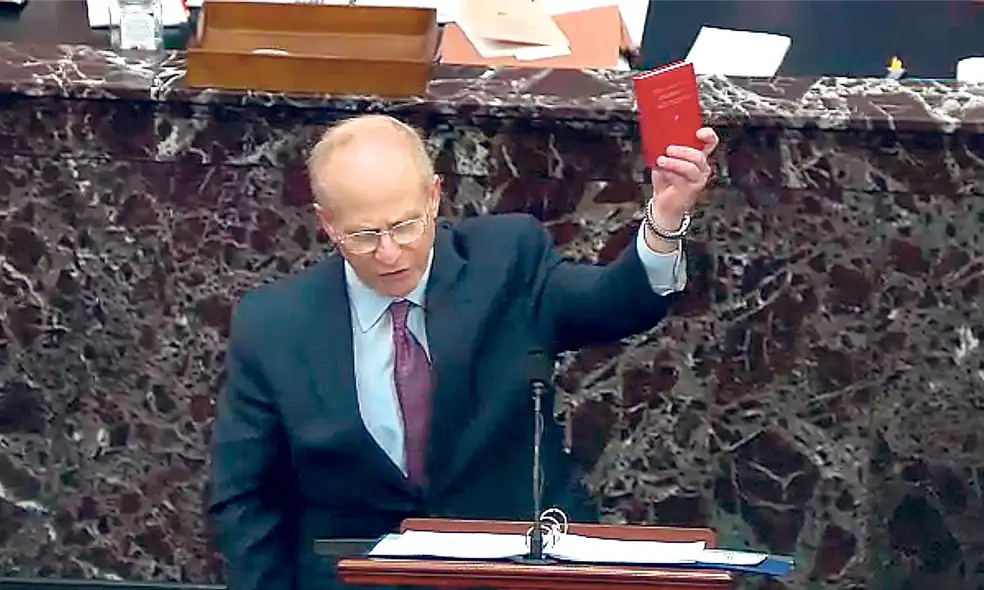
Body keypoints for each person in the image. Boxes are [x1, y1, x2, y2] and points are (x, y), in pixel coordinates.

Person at [208, 114, 719, 590]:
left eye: (405, 226)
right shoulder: (274, 325)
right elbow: (245, 498)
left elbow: (612, 304)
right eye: (363, 235)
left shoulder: (506, 260)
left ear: (434, 197)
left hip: (512, 572)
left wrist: (665, 219)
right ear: (327, 224)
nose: (389, 252)